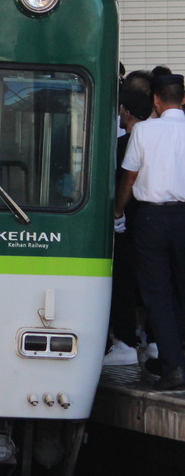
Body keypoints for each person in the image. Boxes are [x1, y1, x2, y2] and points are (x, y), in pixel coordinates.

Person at [114, 74, 185, 389]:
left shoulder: (142, 130)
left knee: (158, 294)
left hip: (151, 220)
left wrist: (117, 211)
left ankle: (173, 367)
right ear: (182, 99)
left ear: (156, 100)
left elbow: (129, 178)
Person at [105, 90, 153, 366]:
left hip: (129, 222)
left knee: (123, 282)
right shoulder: (166, 138)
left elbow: (127, 180)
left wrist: (117, 211)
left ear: (127, 112)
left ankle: (124, 342)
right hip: (155, 218)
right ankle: (153, 342)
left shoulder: (128, 142)